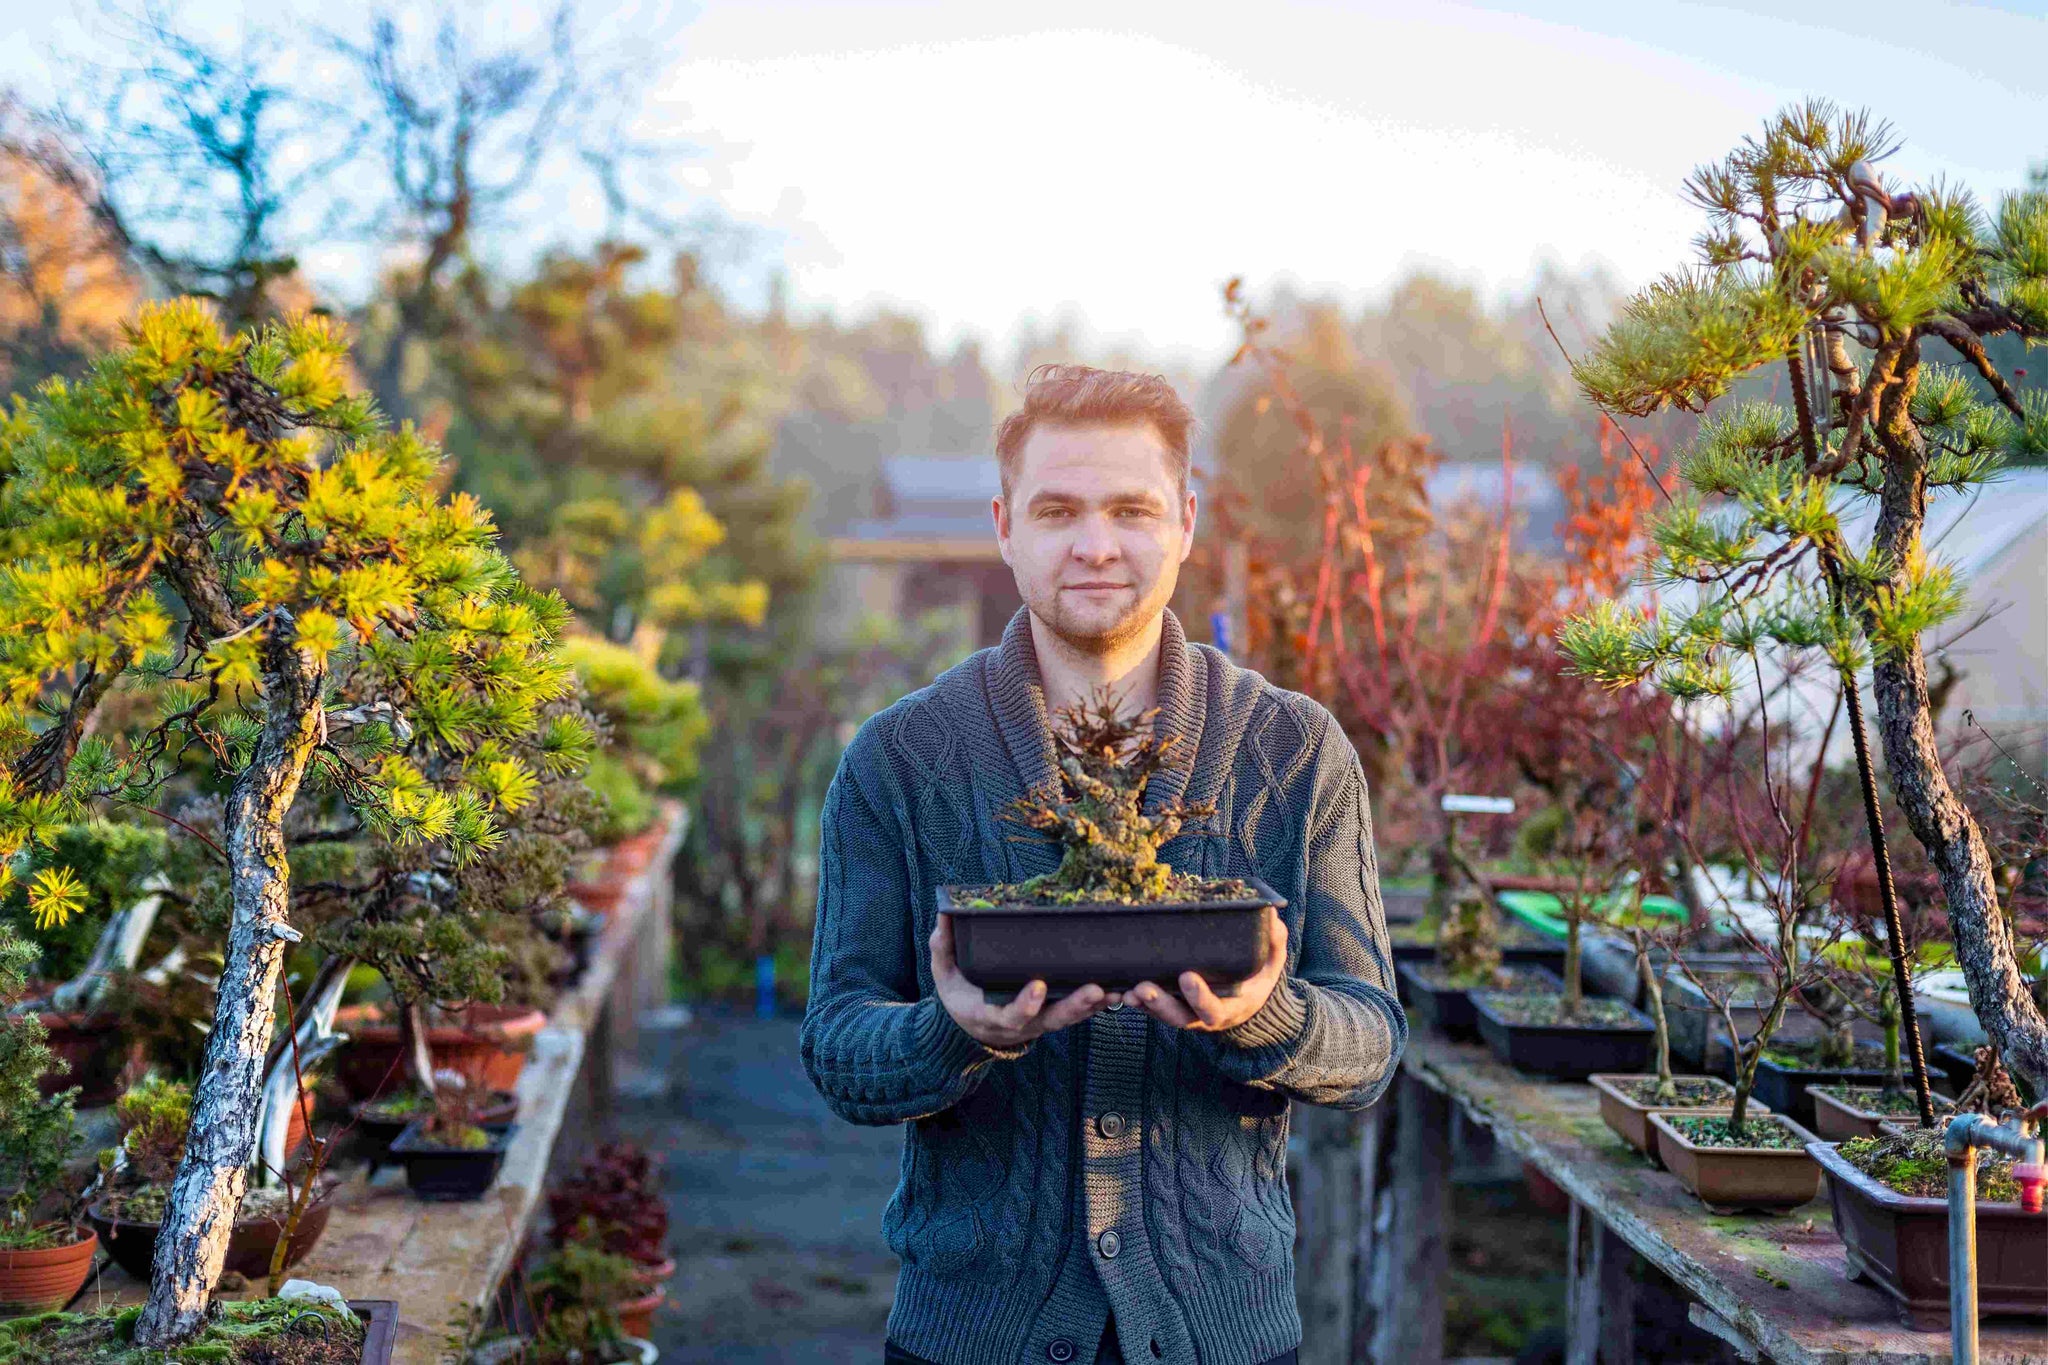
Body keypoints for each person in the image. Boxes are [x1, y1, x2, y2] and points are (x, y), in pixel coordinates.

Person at [801, 364, 1407, 1365]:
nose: (1094, 544)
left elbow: (1370, 1042)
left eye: (1130, 508)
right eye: (1057, 511)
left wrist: (1266, 1015)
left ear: (1185, 519)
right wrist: (948, 1030)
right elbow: (837, 1046)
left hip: (1227, 1339)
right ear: (1003, 525)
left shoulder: (1292, 752)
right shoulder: (900, 761)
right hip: (971, 1339)